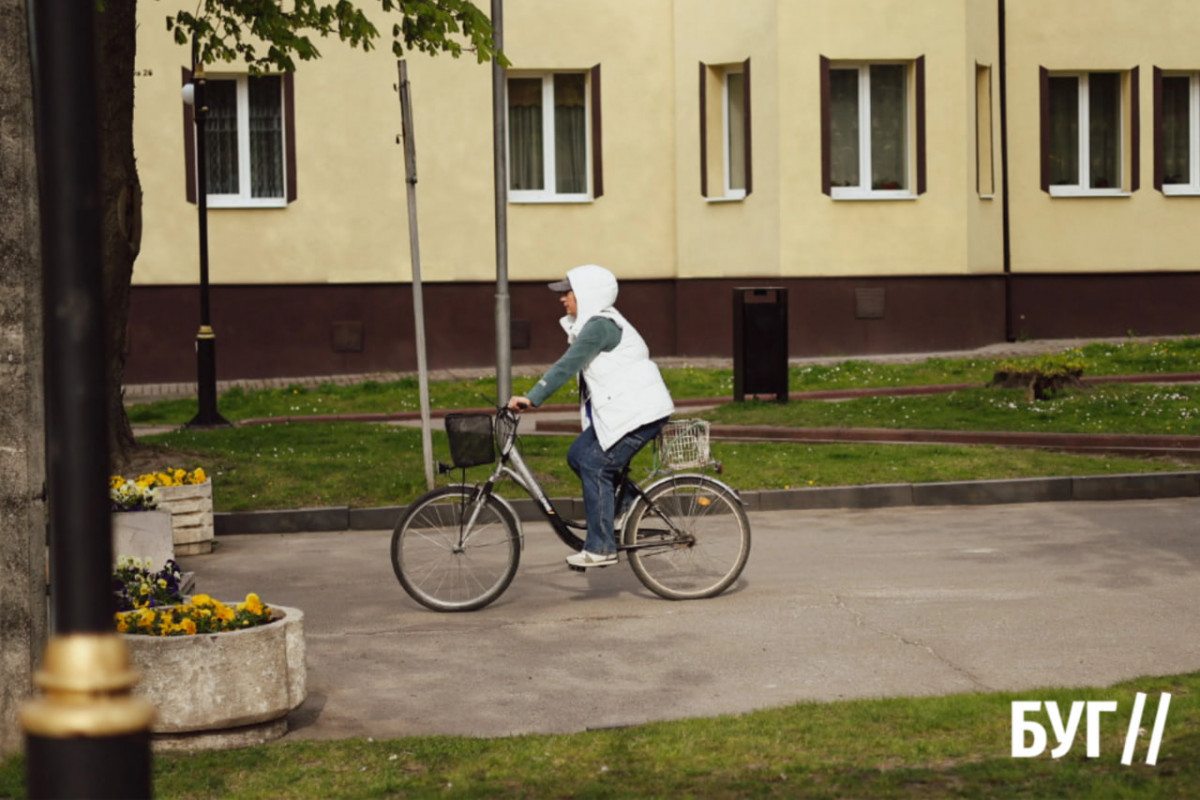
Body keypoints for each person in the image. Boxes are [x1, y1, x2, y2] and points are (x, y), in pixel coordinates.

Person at [507, 264, 675, 569]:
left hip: (640, 413)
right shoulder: (595, 324)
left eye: (567, 292)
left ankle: (601, 548)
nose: (562, 299)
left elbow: (567, 365)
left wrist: (533, 397)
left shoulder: (600, 326)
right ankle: (628, 507)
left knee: (594, 463)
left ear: (587, 294)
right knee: (578, 454)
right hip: (628, 411)